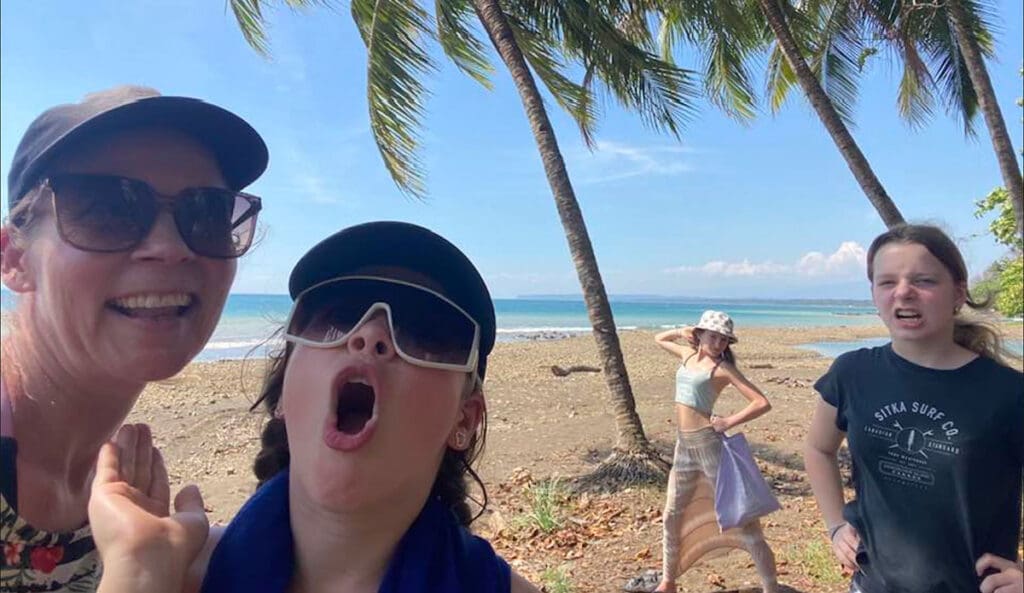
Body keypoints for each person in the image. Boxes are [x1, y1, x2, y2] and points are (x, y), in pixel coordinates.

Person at [87, 221, 542, 593]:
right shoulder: (171, 573)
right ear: (284, 390)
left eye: (425, 329)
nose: (369, 336)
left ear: (464, 420)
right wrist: (137, 574)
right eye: (335, 315)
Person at [0, 85, 268, 592]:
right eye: (107, 209)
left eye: (207, 214)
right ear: (14, 258)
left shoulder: (124, 500)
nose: (168, 248)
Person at [803, 224, 1024, 593]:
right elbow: (818, 448)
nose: (903, 292)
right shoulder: (853, 373)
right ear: (874, 294)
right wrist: (836, 525)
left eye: (923, 281)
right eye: (887, 282)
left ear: (958, 292)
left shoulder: (1008, 392)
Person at [641, 311, 778, 593]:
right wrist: (684, 331)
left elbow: (761, 402)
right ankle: (669, 582)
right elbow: (658, 338)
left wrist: (728, 421)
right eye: (713, 336)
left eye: (724, 339)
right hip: (684, 446)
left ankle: (771, 588)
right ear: (701, 334)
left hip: (709, 445)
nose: (718, 343)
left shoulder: (723, 369)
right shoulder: (687, 356)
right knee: (671, 514)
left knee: (745, 521)